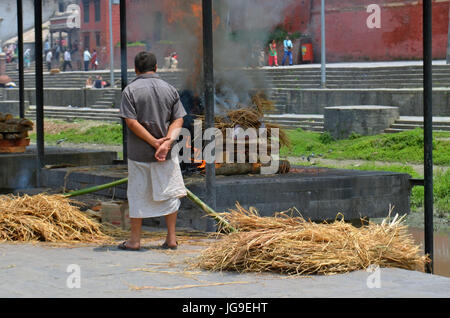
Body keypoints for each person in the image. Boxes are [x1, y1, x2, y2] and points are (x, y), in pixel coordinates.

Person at [118, 51, 187, 251]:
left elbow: (131, 122)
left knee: (138, 194)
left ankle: (135, 241)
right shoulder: (170, 89)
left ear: (136, 69)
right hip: (167, 154)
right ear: (156, 68)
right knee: (170, 194)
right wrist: (166, 143)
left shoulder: (130, 91)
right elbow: (178, 119)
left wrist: (154, 142)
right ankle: (171, 238)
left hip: (139, 154)